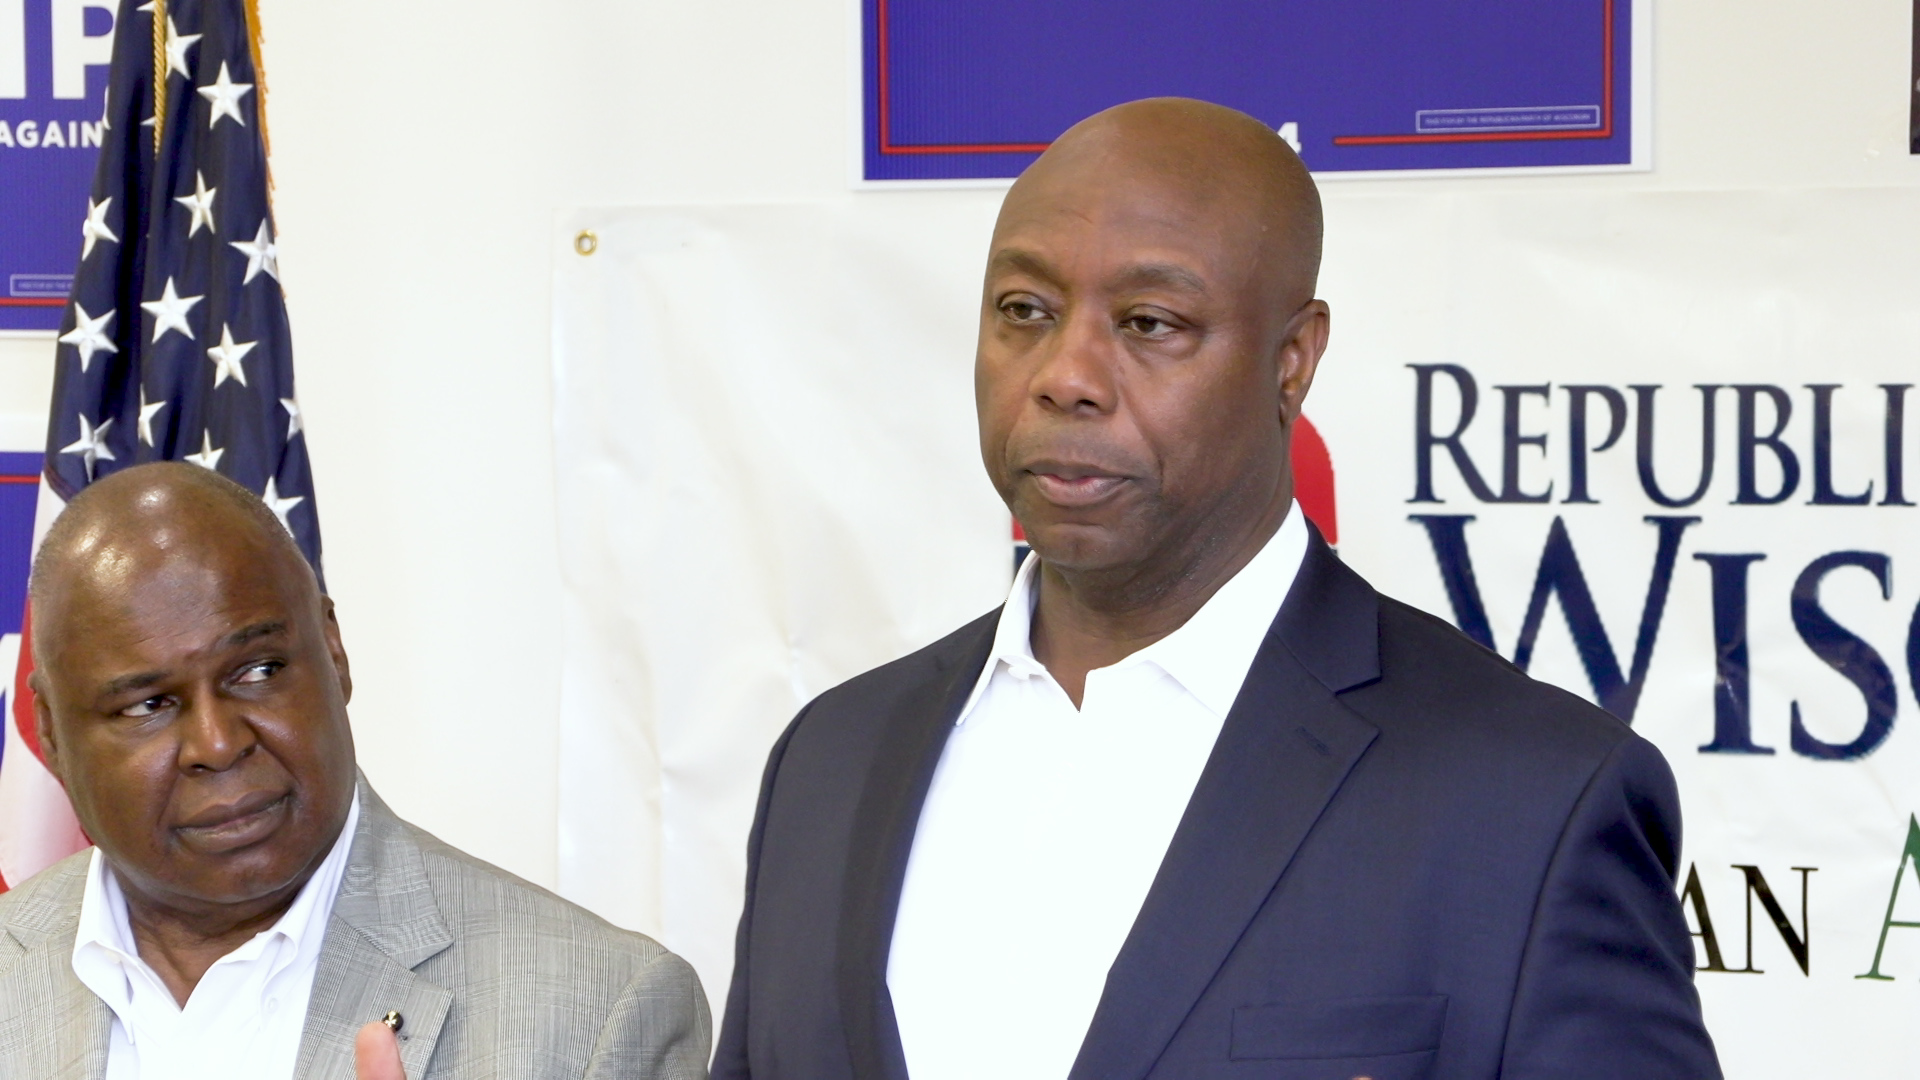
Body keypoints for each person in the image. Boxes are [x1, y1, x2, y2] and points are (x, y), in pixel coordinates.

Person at [713, 98, 1720, 1080]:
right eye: (1024, 310)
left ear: (1293, 362)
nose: (1066, 374)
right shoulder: (831, 759)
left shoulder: (1531, 805)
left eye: (1149, 322)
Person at [0, 462, 710, 1079]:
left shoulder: (600, 1014)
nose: (217, 743)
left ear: (334, 653)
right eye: (149, 704)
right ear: (53, 735)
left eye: (258, 670)